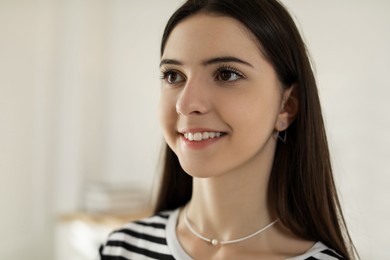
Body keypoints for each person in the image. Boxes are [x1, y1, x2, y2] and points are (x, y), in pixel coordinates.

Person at [99, 0, 358, 259]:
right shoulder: (121, 249)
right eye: (173, 76)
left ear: (286, 106)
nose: (186, 104)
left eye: (226, 74)